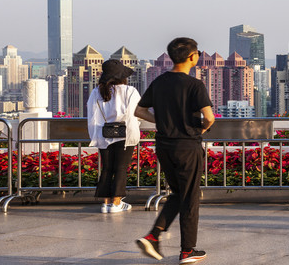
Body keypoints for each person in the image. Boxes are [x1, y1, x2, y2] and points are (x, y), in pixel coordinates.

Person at [134, 37, 215, 264]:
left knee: (179, 193)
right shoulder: (194, 85)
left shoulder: (159, 82)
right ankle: (187, 250)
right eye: (197, 53)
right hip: (187, 146)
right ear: (192, 57)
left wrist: (161, 121)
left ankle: (153, 236)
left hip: (164, 146)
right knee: (189, 198)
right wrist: (200, 127)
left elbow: (139, 111)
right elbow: (209, 117)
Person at [86, 60, 141, 213]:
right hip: (125, 134)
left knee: (107, 168)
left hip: (104, 134)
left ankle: (106, 203)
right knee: (121, 168)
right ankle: (116, 203)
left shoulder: (97, 91)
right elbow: (135, 113)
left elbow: (91, 115)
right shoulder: (130, 91)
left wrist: (95, 136)